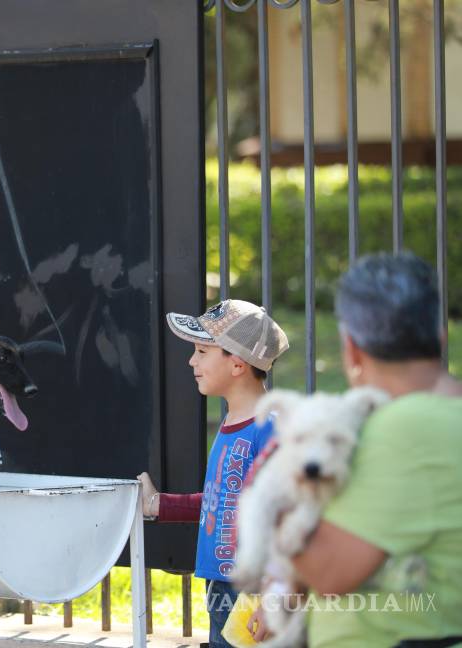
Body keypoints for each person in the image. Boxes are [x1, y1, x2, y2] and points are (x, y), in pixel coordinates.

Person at [287, 252, 462, 648]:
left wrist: (270, 498)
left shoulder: (402, 426)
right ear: (440, 337)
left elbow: (329, 571)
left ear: (352, 349)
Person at [138, 299, 289, 648]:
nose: (192, 361)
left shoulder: (270, 430)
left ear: (237, 364)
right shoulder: (233, 423)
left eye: (202, 351)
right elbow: (224, 502)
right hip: (222, 586)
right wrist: (158, 504)